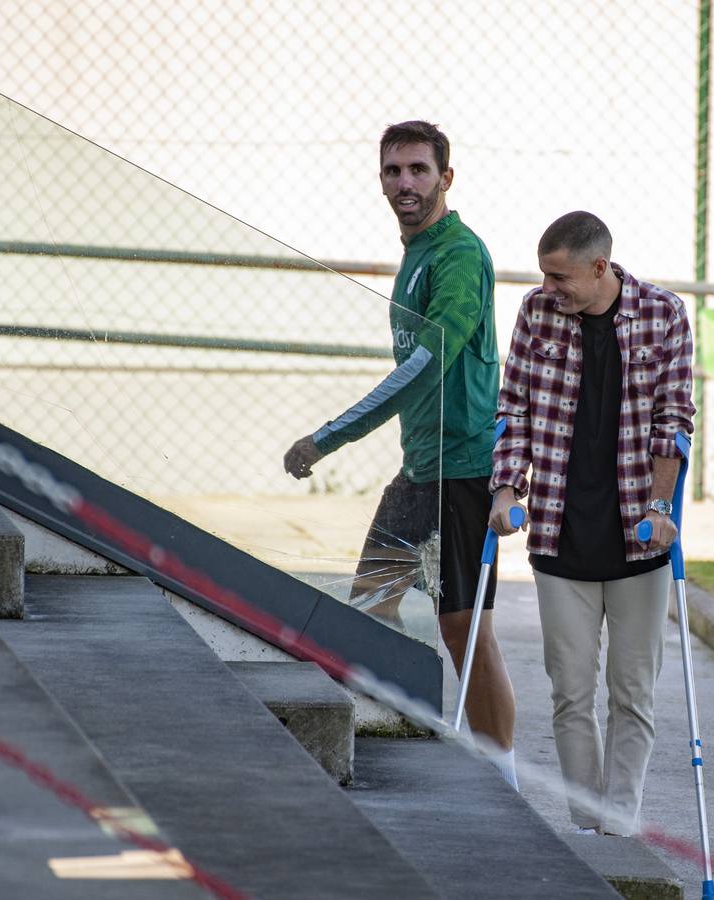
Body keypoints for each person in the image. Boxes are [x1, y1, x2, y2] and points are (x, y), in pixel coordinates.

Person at [282, 120, 517, 787]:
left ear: (447, 177)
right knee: (370, 608)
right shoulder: (418, 253)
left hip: (465, 472)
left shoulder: (459, 255)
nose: (405, 183)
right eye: (393, 171)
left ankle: (504, 783)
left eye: (418, 170)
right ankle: (387, 742)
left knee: (465, 631)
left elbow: (427, 363)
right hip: (419, 472)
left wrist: (328, 437)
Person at [488, 211, 694, 836]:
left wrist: (661, 510)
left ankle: (620, 824)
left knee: (632, 695)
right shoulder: (536, 312)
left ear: (599, 267)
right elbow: (514, 405)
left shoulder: (664, 316)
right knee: (571, 693)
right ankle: (589, 829)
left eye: (560, 277)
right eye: (544, 276)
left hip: (639, 544)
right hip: (558, 536)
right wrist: (504, 488)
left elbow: (674, 420)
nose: (549, 288)